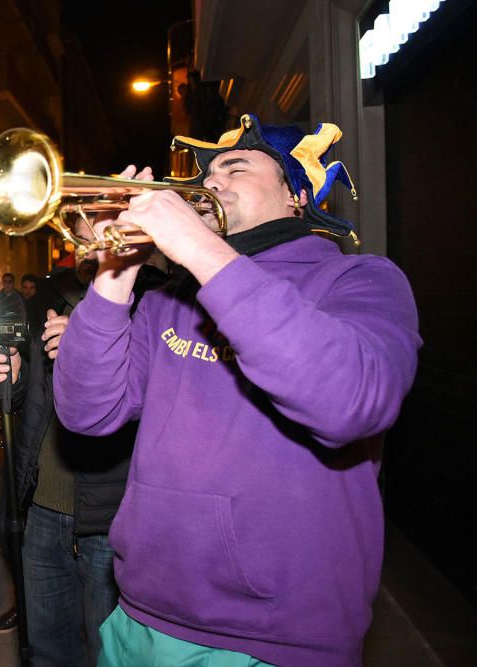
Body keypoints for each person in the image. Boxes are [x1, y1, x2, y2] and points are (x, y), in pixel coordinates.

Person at [53, 114, 421, 666]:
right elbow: (87, 412)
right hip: (140, 614)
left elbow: (351, 404)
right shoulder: (168, 300)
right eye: (206, 173)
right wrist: (114, 272)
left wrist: (201, 251)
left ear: (297, 195)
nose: (209, 184)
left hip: (274, 637)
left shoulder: (361, 279)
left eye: (235, 166)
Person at [0, 232, 168, 664]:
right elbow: (36, 402)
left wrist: (94, 357)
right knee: (49, 650)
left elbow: (167, 406)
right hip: (43, 511)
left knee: (111, 653)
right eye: (80, 234)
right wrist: (9, 380)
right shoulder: (55, 297)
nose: (86, 243)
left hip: (112, 518)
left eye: (101, 232)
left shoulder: (158, 302)